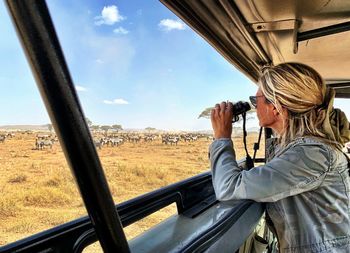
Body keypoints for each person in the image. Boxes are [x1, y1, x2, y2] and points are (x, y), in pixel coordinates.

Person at [209, 62, 350, 253]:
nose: (254, 106)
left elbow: (228, 187)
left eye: (255, 99)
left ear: (275, 107)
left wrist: (221, 138)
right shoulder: (304, 148)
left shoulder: (310, 153)